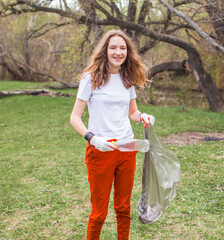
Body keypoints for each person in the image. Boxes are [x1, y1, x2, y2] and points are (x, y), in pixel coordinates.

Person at [70, 29, 155, 240]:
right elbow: (74, 118)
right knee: (99, 213)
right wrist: (93, 139)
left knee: (123, 208)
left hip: (127, 149)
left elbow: (132, 112)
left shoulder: (128, 79)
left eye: (123, 48)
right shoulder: (91, 78)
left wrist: (143, 116)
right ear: (105, 50)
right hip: (101, 151)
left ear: (128, 52)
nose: (118, 52)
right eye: (113, 47)